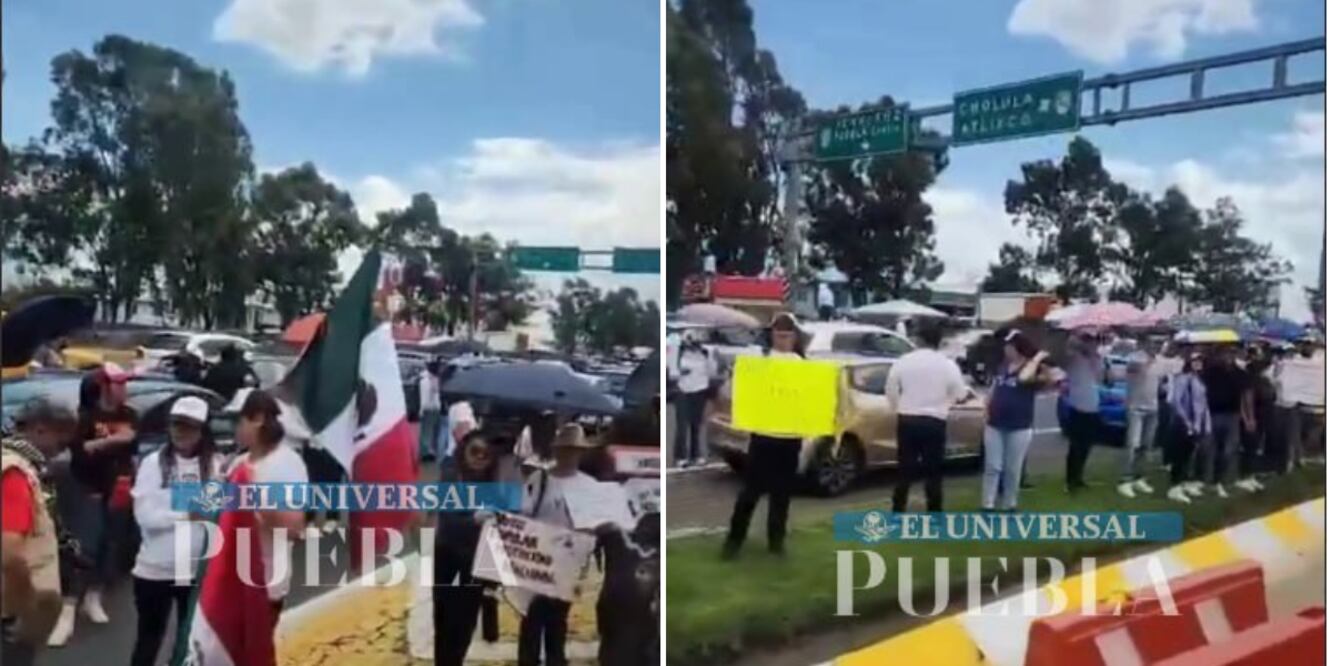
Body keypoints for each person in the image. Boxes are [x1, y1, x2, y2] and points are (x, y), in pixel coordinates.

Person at [129, 396, 221, 666]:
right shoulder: (152, 464)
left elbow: (214, 513)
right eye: (176, 425)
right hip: (154, 570)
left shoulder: (215, 466)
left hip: (196, 572)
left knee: (190, 642)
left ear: (202, 431)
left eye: (190, 427)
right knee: (149, 639)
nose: (181, 433)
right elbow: (145, 517)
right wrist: (185, 514)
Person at [51, 364, 138, 646]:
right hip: (88, 489)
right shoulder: (86, 417)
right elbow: (81, 452)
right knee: (83, 547)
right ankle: (67, 609)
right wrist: (114, 440)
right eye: (117, 383)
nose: (123, 388)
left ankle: (94, 597)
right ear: (103, 386)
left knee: (110, 544)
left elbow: (132, 448)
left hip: (120, 489)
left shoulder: (130, 415)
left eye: (125, 383)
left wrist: (115, 447)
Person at [723, 313, 805, 558]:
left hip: (790, 436)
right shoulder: (759, 360)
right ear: (772, 335)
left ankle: (776, 544)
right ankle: (733, 543)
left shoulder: (802, 365)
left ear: (794, 336)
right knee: (750, 492)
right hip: (763, 435)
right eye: (779, 334)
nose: (783, 339)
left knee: (781, 495)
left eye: (787, 335)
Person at [2, 400, 77, 666]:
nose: (64, 446)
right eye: (62, 436)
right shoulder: (15, 474)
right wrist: (26, 611)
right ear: (41, 430)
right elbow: (10, 553)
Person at [518, 423, 599, 666]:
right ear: (557, 451)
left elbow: (594, 524)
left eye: (574, 450)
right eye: (565, 449)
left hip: (569, 564)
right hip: (538, 560)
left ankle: (556, 660)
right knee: (532, 619)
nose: (569, 455)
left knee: (557, 620)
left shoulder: (588, 485)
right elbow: (523, 515)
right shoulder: (539, 480)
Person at [235, 390, 308, 622]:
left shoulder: (286, 463)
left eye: (237, 420)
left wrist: (254, 499)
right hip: (233, 582)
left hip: (265, 585)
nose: (234, 427)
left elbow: (293, 527)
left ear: (257, 419)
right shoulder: (238, 462)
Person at [886, 320, 971, 513]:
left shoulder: (904, 361)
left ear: (918, 340)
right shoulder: (947, 365)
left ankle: (898, 510)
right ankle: (934, 513)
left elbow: (891, 389)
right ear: (938, 342)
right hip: (934, 420)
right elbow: (960, 393)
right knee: (933, 471)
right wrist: (946, 405)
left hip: (908, 418)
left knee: (905, 469)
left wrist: (898, 407)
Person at [433, 431, 501, 666]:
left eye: (486, 454)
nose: (480, 458)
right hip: (448, 558)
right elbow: (448, 522)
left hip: (476, 564)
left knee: (465, 625)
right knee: (445, 624)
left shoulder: (493, 484)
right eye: (475, 451)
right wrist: (473, 519)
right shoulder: (452, 475)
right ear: (464, 451)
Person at [982, 330, 1051, 511]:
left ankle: (1010, 504)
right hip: (995, 423)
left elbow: (1023, 378)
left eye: (1009, 346)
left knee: (1013, 469)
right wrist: (986, 406)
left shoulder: (1031, 367)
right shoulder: (1003, 366)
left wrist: (1036, 359)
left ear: (1017, 348)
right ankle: (987, 504)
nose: (1006, 349)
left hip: (1019, 426)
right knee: (993, 466)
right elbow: (994, 387)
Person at [1118, 339, 1167, 499]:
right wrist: (1147, 363)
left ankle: (1140, 477)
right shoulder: (1135, 358)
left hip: (1152, 407)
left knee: (1146, 446)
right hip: (1135, 408)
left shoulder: (1159, 360)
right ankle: (1125, 480)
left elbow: (1159, 382)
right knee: (1133, 444)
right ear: (1145, 343)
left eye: (1158, 343)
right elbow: (1131, 371)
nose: (1156, 346)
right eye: (1153, 342)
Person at [1200, 346, 1247, 497]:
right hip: (1212, 414)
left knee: (1228, 451)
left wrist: (1245, 416)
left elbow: (1244, 395)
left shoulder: (1239, 374)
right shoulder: (1211, 372)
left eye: (1232, 353)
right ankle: (1208, 481)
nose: (1229, 356)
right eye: (1226, 353)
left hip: (1232, 415)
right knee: (1210, 449)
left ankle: (1219, 480)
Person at [1167, 354, 1211, 504]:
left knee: (1189, 455)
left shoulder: (1199, 379)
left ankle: (1184, 483)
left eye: (1200, 360)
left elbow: (1203, 403)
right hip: (1185, 423)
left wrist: (1205, 423)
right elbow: (1176, 402)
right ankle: (1174, 487)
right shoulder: (1183, 378)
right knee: (1181, 456)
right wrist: (1187, 422)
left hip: (1198, 423)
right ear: (1189, 362)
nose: (1198, 363)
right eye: (1195, 361)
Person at [1063, 330, 1103, 494]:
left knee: (1087, 446)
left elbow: (1100, 378)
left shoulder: (1097, 359)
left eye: (1095, 342)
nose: (1093, 345)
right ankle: (1070, 480)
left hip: (1093, 406)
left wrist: (1096, 359)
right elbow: (1068, 346)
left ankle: (1079, 477)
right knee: (1075, 446)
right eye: (1090, 342)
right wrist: (1079, 343)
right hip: (1077, 406)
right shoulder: (1074, 358)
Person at [669, 330, 716, 468]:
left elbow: (712, 372)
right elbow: (672, 373)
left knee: (696, 425)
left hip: (700, 390)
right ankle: (680, 457)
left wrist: (710, 357)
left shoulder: (705, 354)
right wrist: (680, 372)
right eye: (691, 343)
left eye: (696, 343)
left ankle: (696, 455)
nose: (694, 346)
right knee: (682, 426)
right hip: (682, 390)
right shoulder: (677, 353)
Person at [1238, 350, 1275, 492]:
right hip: (1254, 417)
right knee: (1250, 447)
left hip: (1263, 417)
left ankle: (1252, 475)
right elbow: (1245, 401)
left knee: (1256, 448)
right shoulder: (1250, 382)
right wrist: (1249, 419)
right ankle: (1244, 477)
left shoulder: (1264, 381)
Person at [419, 361, 443, 461]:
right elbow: (424, 397)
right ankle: (426, 452)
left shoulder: (430, 380)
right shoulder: (430, 380)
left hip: (431, 409)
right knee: (429, 431)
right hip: (431, 408)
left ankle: (427, 451)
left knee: (428, 431)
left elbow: (423, 397)